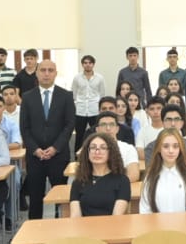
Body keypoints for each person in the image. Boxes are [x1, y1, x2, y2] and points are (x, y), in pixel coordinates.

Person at [19, 59, 77, 220]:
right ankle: (34, 232)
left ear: (55, 74)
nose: (46, 74)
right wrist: (35, 149)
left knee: (60, 198)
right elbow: (24, 127)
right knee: (35, 198)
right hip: (35, 156)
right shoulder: (27, 97)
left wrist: (55, 148)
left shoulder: (66, 96)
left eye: (50, 70)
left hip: (58, 155)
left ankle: (61, 230)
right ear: (37, 73)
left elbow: (69, 125)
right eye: (43, 70)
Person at [140, 129, 186, 214]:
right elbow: (145, 210)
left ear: (180, 149)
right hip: (155, 222)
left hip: (185, 222)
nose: (171, 151)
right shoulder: (150, 176)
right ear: (158, 149)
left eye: (175, 146)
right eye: (166, 146)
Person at [70, 132, 132, 217]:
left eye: (103, 148)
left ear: (111, 152)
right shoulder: (78, 181)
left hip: (112, 225)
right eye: (93, 147)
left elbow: (117, 216)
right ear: (87, 152)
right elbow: (75, 216)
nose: (97, 152)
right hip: (84, 225)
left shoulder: (122, 180)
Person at [93, 111, 141, 175]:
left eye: (112, 124)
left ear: (117, 129)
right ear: (97, 130)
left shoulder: (128, 149)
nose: (108, 128)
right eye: (103, 125)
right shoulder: (90, 149)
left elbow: (134, 174)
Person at [70, 54, 106, 139]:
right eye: (85, 63)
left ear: (93, 64)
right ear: (82, 64)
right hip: (80, 110)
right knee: (79, 134)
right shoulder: (77, 78)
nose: (88, 65)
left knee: (96, 133)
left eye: (90, 63)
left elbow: (102, 94)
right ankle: (78, 148)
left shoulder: (100, 78)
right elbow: (74, 93)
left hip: (94, 110)